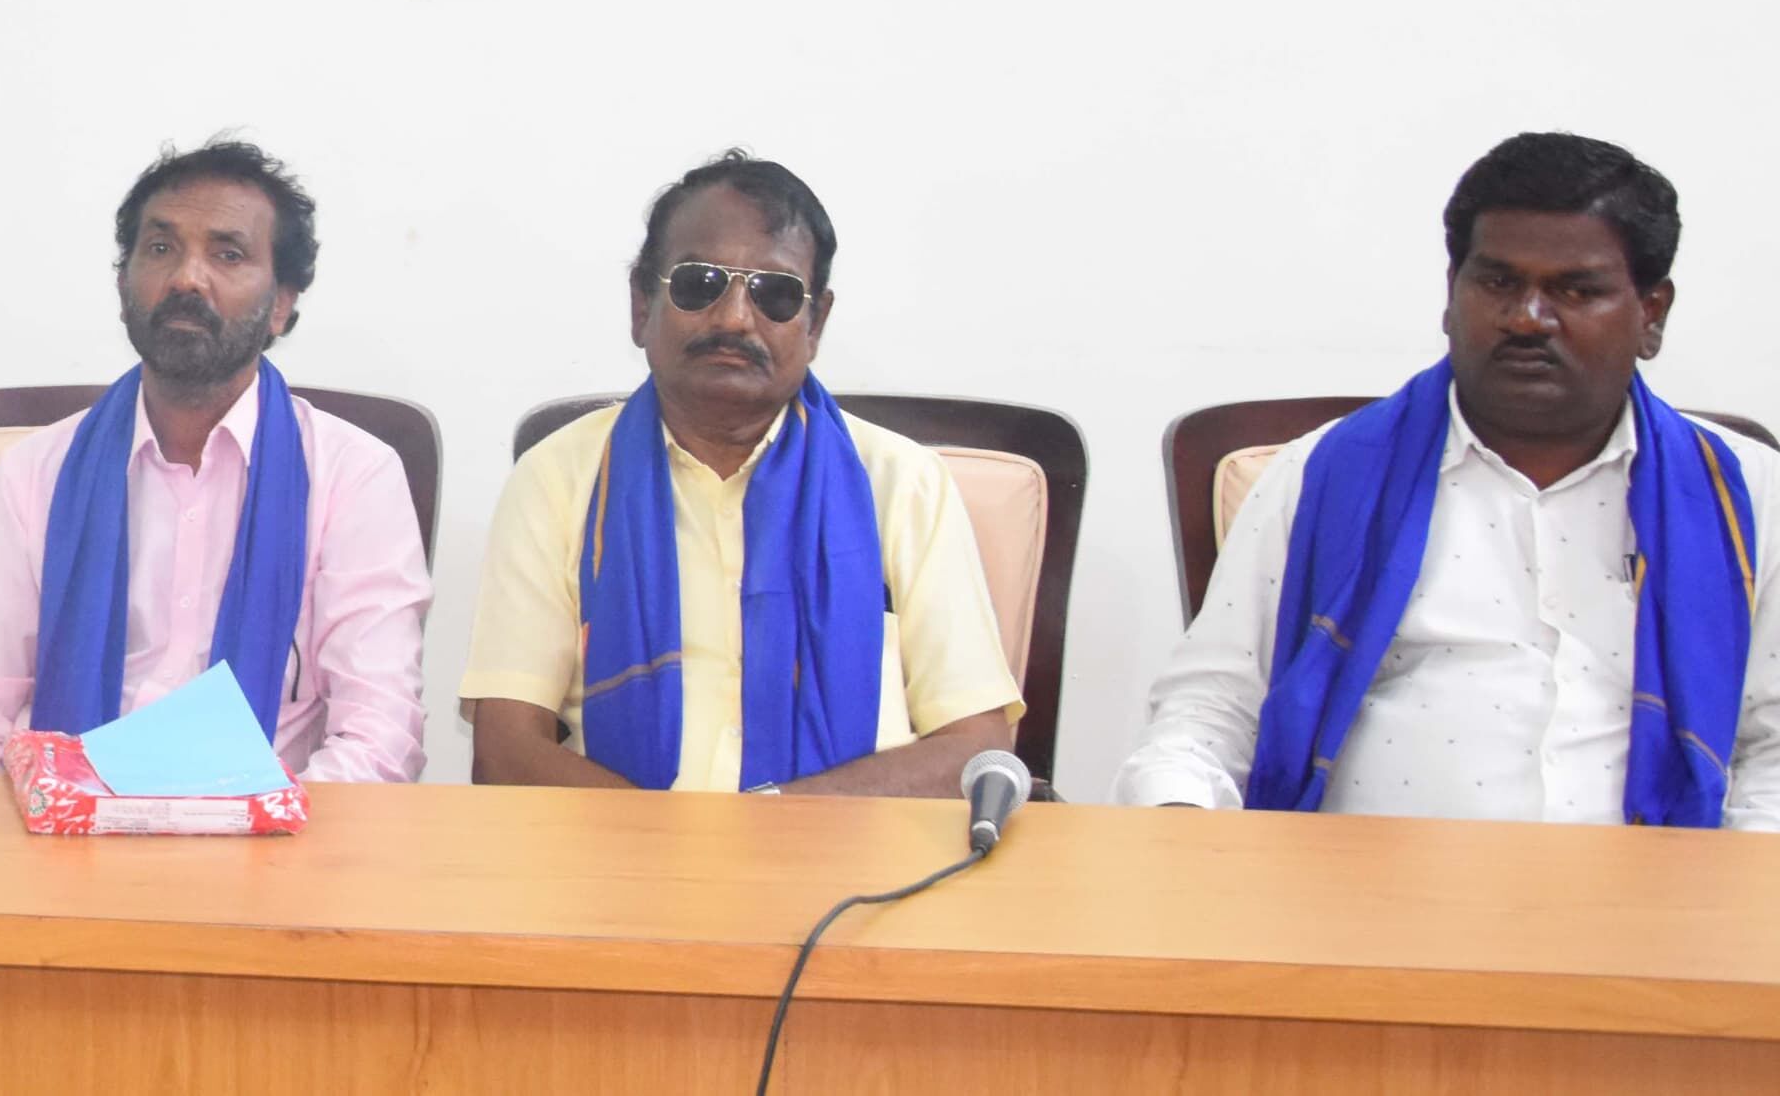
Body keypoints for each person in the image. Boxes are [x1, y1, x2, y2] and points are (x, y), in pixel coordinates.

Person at [1121, 133, 1779, 827]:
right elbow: (1212, 713)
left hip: (1660, 885)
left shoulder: (1748, 495)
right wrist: (1181, 820)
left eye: (1575, 290)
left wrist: (1732, 883)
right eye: (1499, 283)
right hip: (1360, 882)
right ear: (1450, 294)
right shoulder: (1323, 475)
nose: (1527, 318)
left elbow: (1772, 744)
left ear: (1651, 314)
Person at [462, 151, 1018, 794]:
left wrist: (776, 824)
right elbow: (505, 750)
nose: (733, 317)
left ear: (815, 324)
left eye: (774, 294)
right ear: (642, 304)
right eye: (699, 283)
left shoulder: (901, 483)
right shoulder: (559, 480)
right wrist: (669, 844)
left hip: (854, 849)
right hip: (617, 850)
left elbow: (976, 746)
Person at [0, 140, 433, 779]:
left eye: (228, 254)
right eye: (161, 248)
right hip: (56, 825)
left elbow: (380, 735)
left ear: (281, 304)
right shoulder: (35, 472)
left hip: (277, 825)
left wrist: (264, 824)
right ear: (122, 286)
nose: (188, 278)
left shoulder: (353, 476)